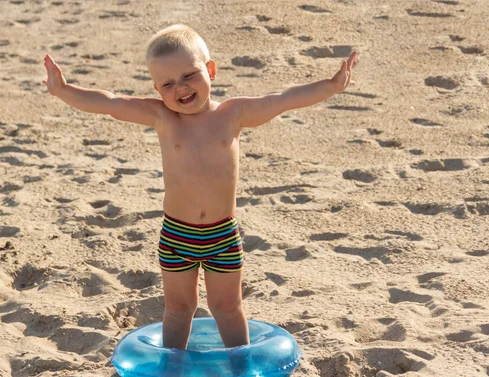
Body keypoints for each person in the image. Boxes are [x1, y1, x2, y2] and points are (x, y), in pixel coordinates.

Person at [43, 24, 357, 350]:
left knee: (228, 308)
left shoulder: (233, 114)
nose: (180, 88)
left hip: (222, 235)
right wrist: (63, 90)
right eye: (168, 83)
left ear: (211, 70)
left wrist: (331, 86)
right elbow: (109, 102)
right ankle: (172, 367)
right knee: (179, 309)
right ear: (157, 88)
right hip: (178, 236)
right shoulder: (163, 118)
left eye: (189, 75)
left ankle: (240, 366)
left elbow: (284, 99)